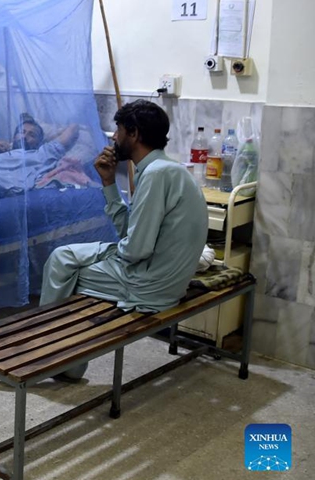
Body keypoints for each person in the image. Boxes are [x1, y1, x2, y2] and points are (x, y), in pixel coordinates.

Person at [39, 100, 208, 381]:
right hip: (162, 278)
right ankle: (65, 357)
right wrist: (108, 183)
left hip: (150, 287)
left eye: (118, 130)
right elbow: (132, 233)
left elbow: (135, 249)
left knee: (62, 270)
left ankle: (48, 355)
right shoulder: (167, 169)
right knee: (63, 257)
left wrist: (109, 253)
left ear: (134, 133)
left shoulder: (155, 175)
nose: (114, 137)